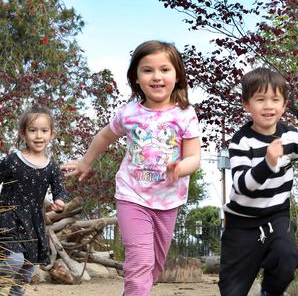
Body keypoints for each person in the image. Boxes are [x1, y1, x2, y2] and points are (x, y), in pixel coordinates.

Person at [62, 40, 201, 296]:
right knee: (141, 261)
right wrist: (86, 162)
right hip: (132, 196)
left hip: (168, 201)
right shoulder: (129, 113)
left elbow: (194, 157)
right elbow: (104, 136)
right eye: (147, 70)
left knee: (154, 266)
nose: (156, 76)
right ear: (136, 78)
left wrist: (180, 168)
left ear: (177, 75)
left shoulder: (185, 115)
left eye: (164, 70)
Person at [218, 67, 298, 296]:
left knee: (288, 257)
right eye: (260, 99)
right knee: (232, 290)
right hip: (242, 224)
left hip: (276, 216)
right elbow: (242, 185)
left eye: (275, 100)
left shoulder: (290, 134)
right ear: (247, 105)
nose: (268, 106)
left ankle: (270, 292)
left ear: (283, 106)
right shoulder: (241, 142)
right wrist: (268, 162)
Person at [0, 105, 67, 296]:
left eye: (44, 131)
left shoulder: (52, 168)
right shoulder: (13, 160)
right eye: (33, 130)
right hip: (9, 219)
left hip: (33, 224)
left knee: (28, 268)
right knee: (15, 260)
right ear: (23, 134)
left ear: (51, 134)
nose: (38, 136)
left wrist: (59, 202)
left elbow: (60, 191)